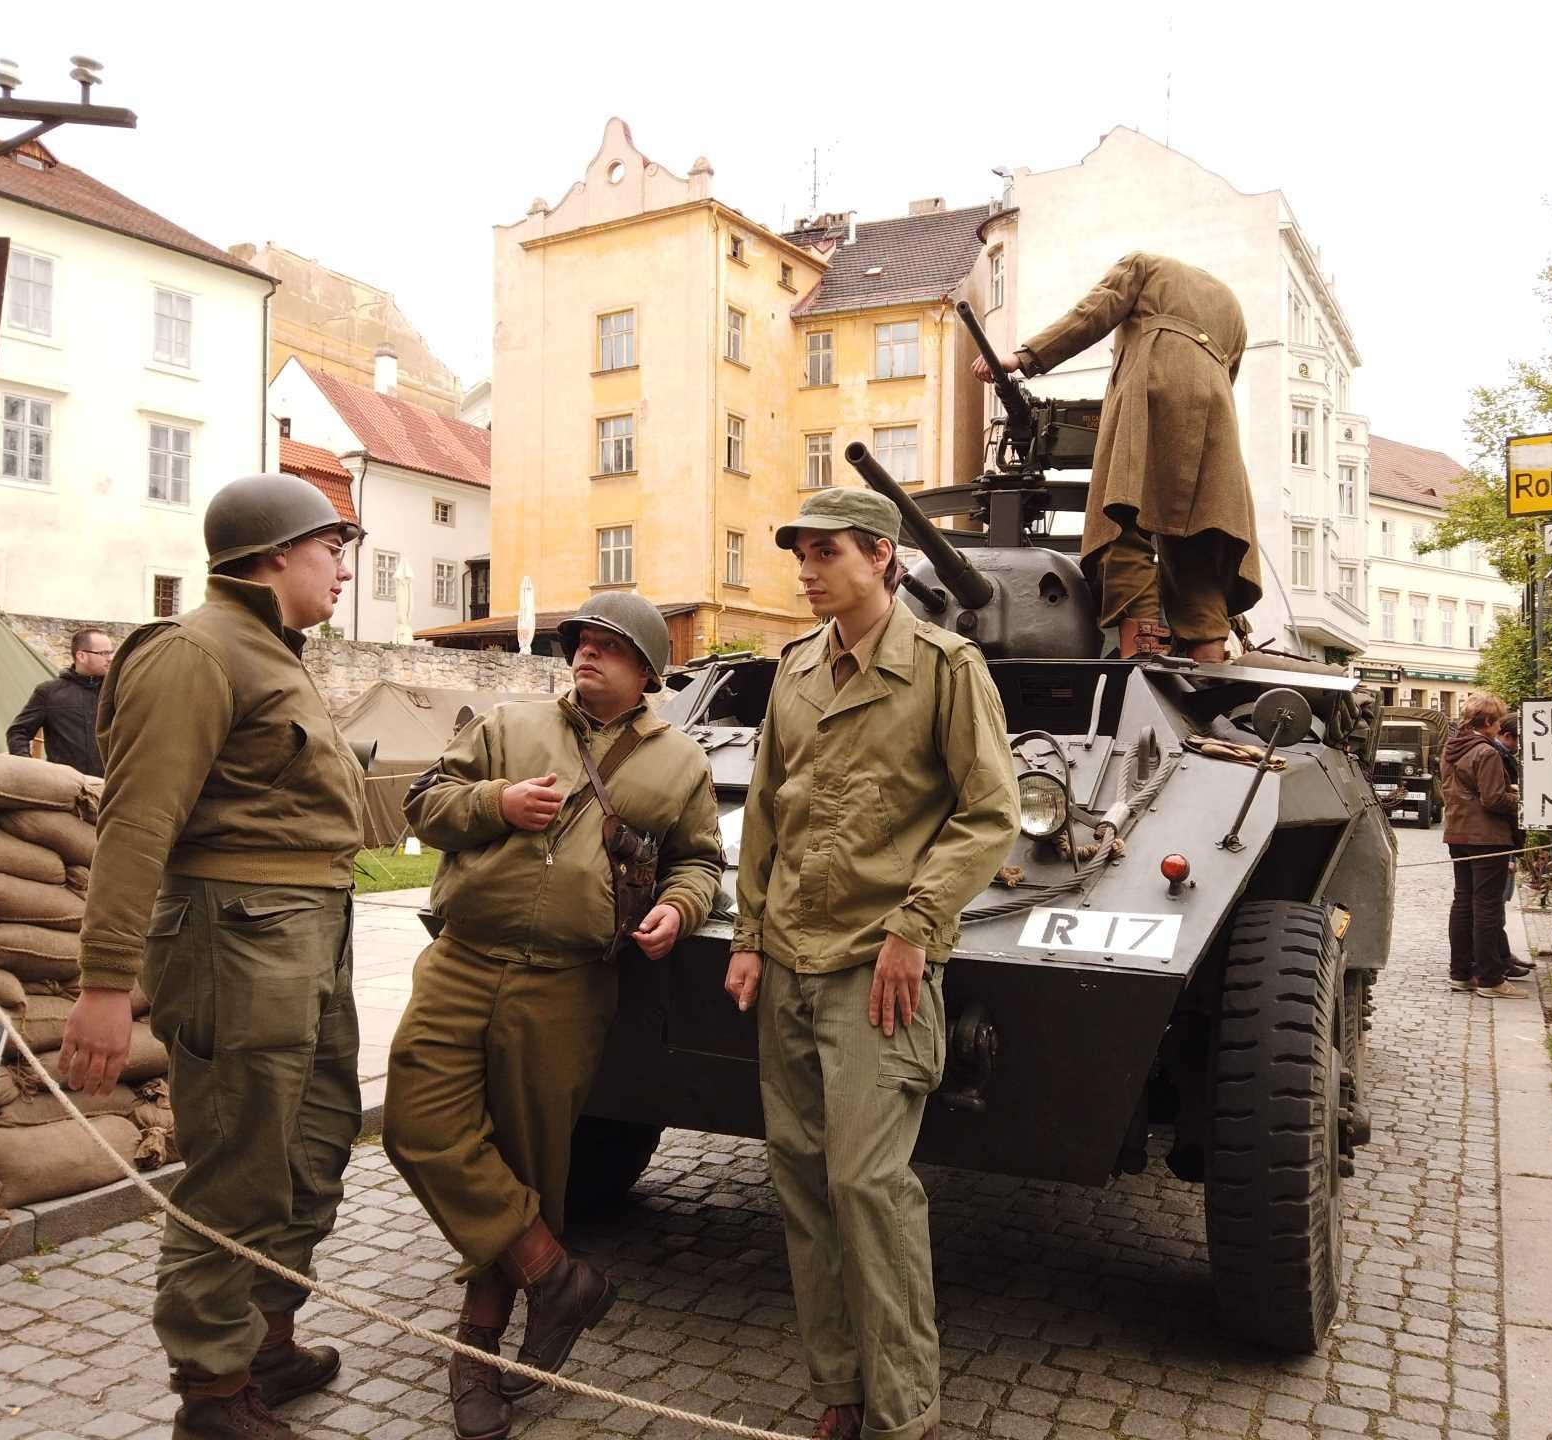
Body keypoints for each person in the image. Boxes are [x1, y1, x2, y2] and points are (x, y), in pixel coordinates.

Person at [58, 474, 368, 1440]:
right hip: (236, 938)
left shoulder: (274, 652)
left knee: (313, 1146)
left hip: (307, 927)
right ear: (277, 554)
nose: (344, 569)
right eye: (332, 549)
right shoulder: (195, 651)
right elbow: (137, 822)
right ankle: (210, 1390)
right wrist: (105, 984)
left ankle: (263, 1342)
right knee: (237, 1159)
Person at [384, 591, 722, 1440]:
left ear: (647, 669)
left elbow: (700, 862)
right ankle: (552, 1271)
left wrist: (679, 909)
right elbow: (423, 805)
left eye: (609, 646)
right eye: (581, 642)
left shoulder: (679, 761)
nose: (587, 655)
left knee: (530, 1160)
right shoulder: (509, 723)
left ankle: (480, 1352)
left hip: (568, 983)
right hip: (465, 954)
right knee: (414, 1124)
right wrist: (494, 803)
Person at [726, 489, 1018, 1440]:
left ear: (883, 557)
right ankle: (840, 1391)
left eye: (825, 553)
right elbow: (767, 810)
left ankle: (905, 1413)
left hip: (874, 967)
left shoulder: (943, 667)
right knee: (803, 1185)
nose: (806, 570)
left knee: (867, 1185)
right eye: (800, 554)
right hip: (789, 965)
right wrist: (746, 937)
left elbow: (988, 813)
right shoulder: (796, 667)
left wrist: (914, 927)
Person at [972, 252, 1261, 662]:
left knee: (1122, 526)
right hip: (1217, 419)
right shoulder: (1232, 307)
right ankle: (1208, 659)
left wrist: (1023, 358)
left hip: (1152, 395)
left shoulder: (1144, 265)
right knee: (1194, 543)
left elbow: (1094, 310)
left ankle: (1142, 661)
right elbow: (1228, 375)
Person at [1442, 693, 1521, 997]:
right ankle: (1490, 979)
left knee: (1463, 902)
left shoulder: (1452, 747)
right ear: (1488, 721)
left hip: (1458, 833)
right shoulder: (1485, 752)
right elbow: (1493, 799)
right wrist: (1520, 798)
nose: (1499, 725)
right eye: (1498, 720)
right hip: (1486, 837)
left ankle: (1460, 974)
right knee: (1487, 907)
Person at [6, 628, 114, 776]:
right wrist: (30, 770)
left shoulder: (116, 692)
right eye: (103, 653)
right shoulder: (49, 693)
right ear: (81, 656)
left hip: (110, 789)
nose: (110, 658)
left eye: (111, 652)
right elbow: (18, 733)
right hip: (65, 788)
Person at [1492, 716, 1532, 979]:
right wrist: (1516, 794)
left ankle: (1503, 954)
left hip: (1504, 837)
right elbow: (1495, 797)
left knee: (1498, 901)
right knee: (1493, 903)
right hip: (1499, 837)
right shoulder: (1495, 755)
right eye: (1519, 739)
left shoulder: (1501, 755)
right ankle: (1498, 959)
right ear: (1507, 735)